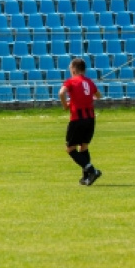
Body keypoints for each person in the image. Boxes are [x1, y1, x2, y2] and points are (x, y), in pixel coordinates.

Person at [59, 57, 102, 186]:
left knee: (70, 148)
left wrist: (65, 105)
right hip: (90, 119)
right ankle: (86, 178)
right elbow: (98, 96)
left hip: (77, 119)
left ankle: (92, 170)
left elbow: (61, 93)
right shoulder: (89, 81)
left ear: (74, 69)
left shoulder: (71, 81)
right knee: (84, 147)